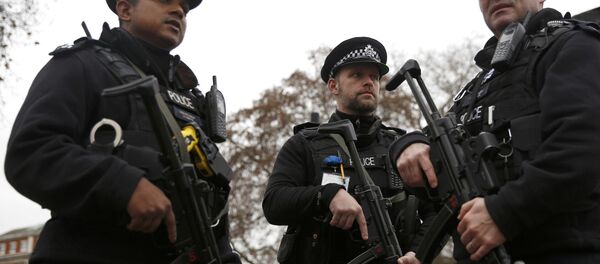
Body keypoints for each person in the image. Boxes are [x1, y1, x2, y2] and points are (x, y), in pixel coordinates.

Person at [4, 0, 241, 263]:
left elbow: (210, 195)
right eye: (165, 0)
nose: (179, 11)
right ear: (125, 10)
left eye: (184, 8)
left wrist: (224, 254)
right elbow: (29, 153)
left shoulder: (192, 100)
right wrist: (121, 183)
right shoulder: (81, 64)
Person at [391, 0, 600, 263]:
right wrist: (410, 143)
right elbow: (440, 159)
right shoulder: (477, 86)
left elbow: (583, 147)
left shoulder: (574, 45)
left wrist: (504, 213)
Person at [262, 37, 434, 264]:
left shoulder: (400, 147)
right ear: (334, 86)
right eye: (357, 75)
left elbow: (435, 211)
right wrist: (326, 195)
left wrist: (418, 253)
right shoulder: (304, 144)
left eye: (374, 77)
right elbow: (274, 203)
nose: (369, 82)